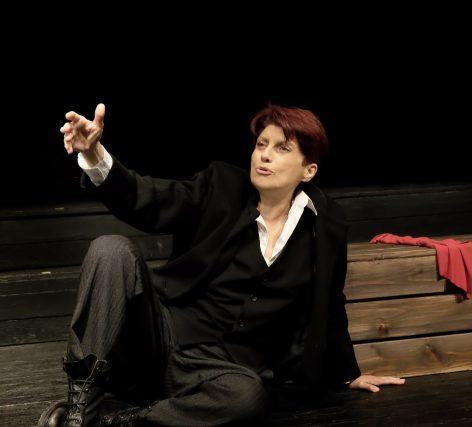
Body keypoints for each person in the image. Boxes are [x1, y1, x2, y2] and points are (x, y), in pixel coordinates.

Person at [38, 103, 405, 426]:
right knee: (111, 248)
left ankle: (118, 421)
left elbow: (330, 302)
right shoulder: (221, 186)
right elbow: (148, 199)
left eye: (281, 148)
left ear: (308, 170)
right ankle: (81, 408)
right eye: (261, 144)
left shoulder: (325, 225)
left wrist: (346, 374)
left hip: (221, 372)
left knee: (249, 397)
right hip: (160, 341)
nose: (264, 155)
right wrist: (95, 154)